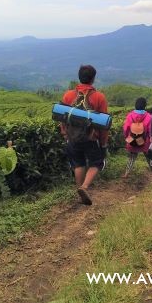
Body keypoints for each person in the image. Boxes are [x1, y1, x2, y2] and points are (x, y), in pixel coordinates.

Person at [60, 64, 108, 206]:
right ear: (93, 79)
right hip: (91, 138)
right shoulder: (99, 97)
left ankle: (80, 189)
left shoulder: (68, 95)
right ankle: (84, 187)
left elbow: (62, 117)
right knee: (97, 162)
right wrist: (104, 142)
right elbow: (104, 124)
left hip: (72, 137)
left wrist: (64, 132)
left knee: (78, 163)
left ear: (79, 78)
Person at [122, 97, 152, 178]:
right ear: (145, 106)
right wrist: (151, 139)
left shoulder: (130, 115)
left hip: (132, 140)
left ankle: (126, 173)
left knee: (131, 158)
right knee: (149, 158)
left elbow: (125, 128)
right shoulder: (149, 117)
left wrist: (127, 137)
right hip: (145, 142)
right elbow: (151, 130)